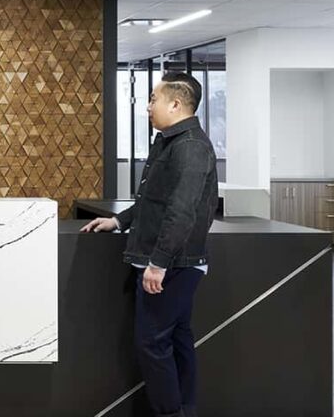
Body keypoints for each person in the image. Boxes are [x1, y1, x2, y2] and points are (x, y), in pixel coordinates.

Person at [81, 71, 218, 417]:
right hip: (172, 261)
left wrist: (158, 263)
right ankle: (184, 409)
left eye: (154, 99)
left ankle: (170, 413)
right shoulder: (170, 141)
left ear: (175, 103)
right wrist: (117, 221)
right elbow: (152, 200)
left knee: (152, 344)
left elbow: (182, 211)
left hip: (174, 265)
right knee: (177, 339)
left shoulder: (190, 148)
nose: (147, 107)